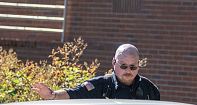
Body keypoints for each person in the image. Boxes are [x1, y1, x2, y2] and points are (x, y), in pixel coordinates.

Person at [32, 43, 161, 101]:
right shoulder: (102, 86)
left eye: (133, 67)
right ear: (113, 63)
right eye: (123, 66)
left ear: (139, 65)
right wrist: (53, 95)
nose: (128, 71)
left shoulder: (149, 90)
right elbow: (74, 93)